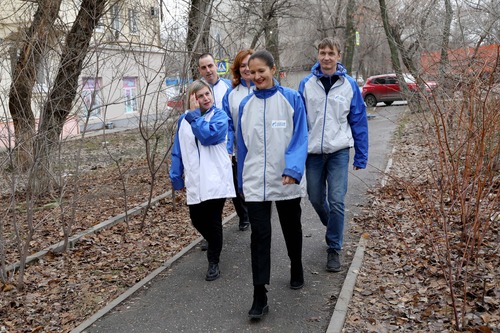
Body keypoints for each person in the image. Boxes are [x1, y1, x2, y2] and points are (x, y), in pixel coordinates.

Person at [236, 50, 308, 319]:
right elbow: (241, 146)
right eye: (252, 72)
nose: (256, 76)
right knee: (259, 238)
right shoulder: (245, 105)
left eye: (261, 71)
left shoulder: (291, 99)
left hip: (285, 178)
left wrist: (293, 168)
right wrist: (241, 180)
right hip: (255, 181)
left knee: (291, 228)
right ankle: (259, 295)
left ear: (273, 69)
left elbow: (301, 137)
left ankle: (296, 265)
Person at [298, 37, 368, 273]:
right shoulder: (306, 84)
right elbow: (299, 122)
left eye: (331, 53)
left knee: (337, 200)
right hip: (313, 154)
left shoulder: (349, 86)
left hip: (338, 151)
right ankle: (333, 227)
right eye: (322, 52)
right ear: (317, 55)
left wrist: (361, 155)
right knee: (316, 198)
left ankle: (334, 248)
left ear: (339, 56)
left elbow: (358, 120)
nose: (326, 57)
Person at [169, 80, 235, 281]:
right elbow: (178, 150)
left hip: (215, 178)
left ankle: (213, 262)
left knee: (213, 221)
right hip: (195, 179)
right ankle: (215, 241)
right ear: (193, 99)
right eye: (200, 96)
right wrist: (176, 177)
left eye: (208, 94)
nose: (206, 98)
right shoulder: (184, 120)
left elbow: (208, 137)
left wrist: (195, 117)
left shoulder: (220, 117)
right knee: (197, 220)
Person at [198, 52, 250, 235]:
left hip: (230, 145)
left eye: (210, 65)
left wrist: (232, 147)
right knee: (211, 190)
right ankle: (212, 232)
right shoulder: (198, 91)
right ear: (200, 70)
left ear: (216, 66)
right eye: (204, 67)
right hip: (207, 145)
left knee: (235, 183)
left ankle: (244, 216)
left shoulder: (228, 87)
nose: (208, 70)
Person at [222, 49, 255, 231]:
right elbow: (228, 125)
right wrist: (229, 149)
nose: (247, 69)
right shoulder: (231, 94)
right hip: (239, 151)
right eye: (242, 65)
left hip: (261, 150)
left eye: (250, 64)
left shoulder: (265, 89)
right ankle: (245, 216)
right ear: (237, 69)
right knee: (239, 187)